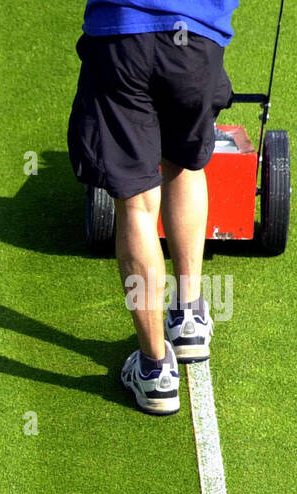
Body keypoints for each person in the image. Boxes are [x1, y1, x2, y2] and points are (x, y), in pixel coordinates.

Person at [68, 1, 239, 415]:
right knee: (184, 165)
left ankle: (154, 370)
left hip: (122, 35)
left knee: (138, 205)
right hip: (196, 40)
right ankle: (188, 321)